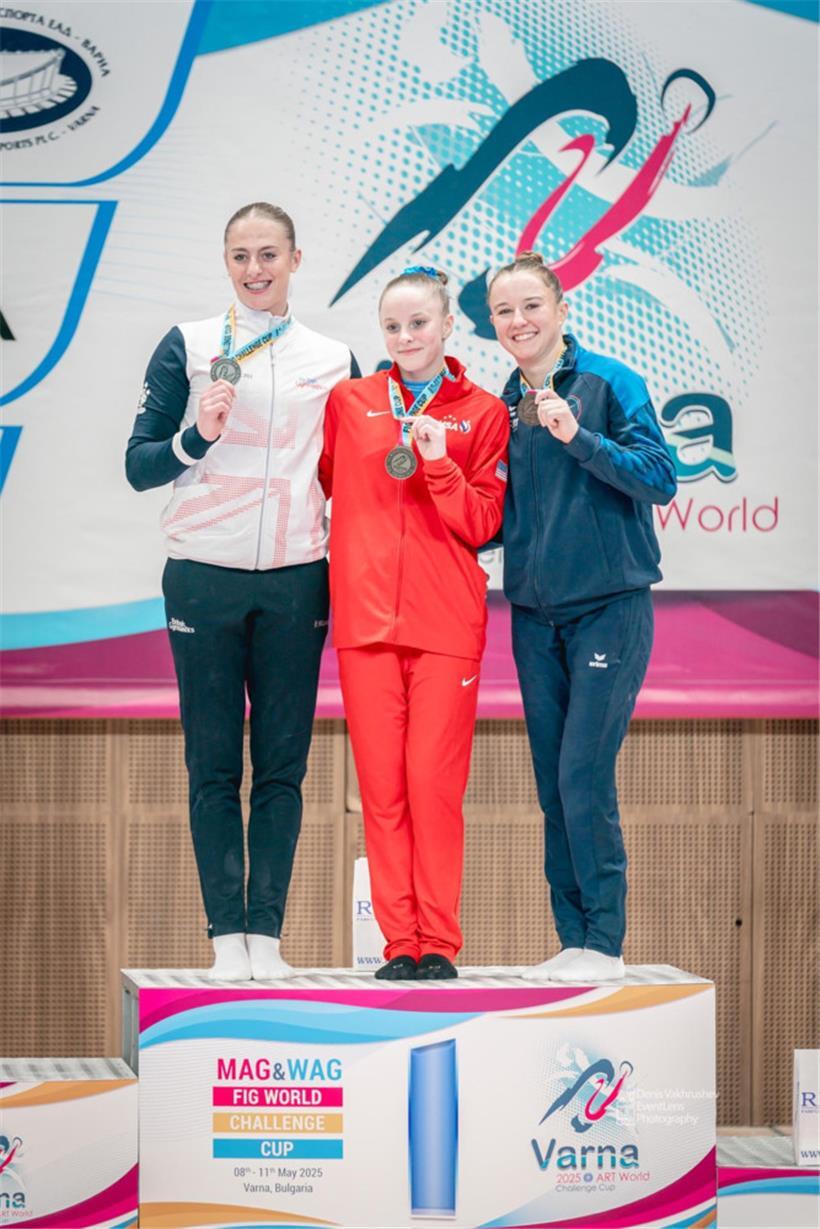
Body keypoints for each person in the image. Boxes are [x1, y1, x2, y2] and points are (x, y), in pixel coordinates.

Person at [125, 202, 358, 981]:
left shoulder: (332, 358)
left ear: (296, 258)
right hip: (202, 576)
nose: (254, 268)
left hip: (297, 579)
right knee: (214, 762)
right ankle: (227, 934)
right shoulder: (189, 346)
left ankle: (268, 934)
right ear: (224, 262)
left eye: (267, 254)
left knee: (284, 765)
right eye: (239, 256)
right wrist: (198, 436)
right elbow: (139, 463)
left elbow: (353, 479)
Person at [487, 251, 677, 983]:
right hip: (533, 616)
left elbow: (660, 478)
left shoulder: (609, 382)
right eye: (504, 310)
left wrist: (580, 437)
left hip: (608, 608)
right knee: (551, 782)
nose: (518, 321)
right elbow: (498, 517)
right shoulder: (500, 402)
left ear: (562, 310)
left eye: (531, 305)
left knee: (582, 775)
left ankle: (603, 940)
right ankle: (573, 939)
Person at [320, 266, 509, 980]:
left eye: (419, 323)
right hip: (365, 622)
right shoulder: (350, 400)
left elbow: (484, 522)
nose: (406, 337)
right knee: (382, 787)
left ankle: (440, 943)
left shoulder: (483, 412)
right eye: (394, 326)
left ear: (448, 326)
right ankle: (399, 943)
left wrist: (438, 466)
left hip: (446, 624)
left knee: (433, 784)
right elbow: (334, 483)